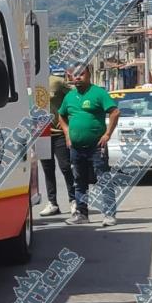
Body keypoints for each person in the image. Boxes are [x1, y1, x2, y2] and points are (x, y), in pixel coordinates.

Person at [58, 64, 120, 226]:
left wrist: (107, 134)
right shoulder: (70, 96)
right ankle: (81, 214)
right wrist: (67, 135)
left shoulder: (98, 93)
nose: (77, 77)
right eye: (74, 75)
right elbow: (61, 116)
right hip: (76, 148)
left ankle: (109, 214)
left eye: (81, 74)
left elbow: (114, 112)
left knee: (103, 179)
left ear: (89, 74)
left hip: (96, 146)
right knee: (79, 181)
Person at [39, 72, 76, 216]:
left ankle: (74, 201)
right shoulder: (29, 84)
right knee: (48, 169)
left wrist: (69, 120)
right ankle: (52, 203)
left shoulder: (56, 81)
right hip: (41, 134)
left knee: (65, 167)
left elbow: (75, 97)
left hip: (59, 132)